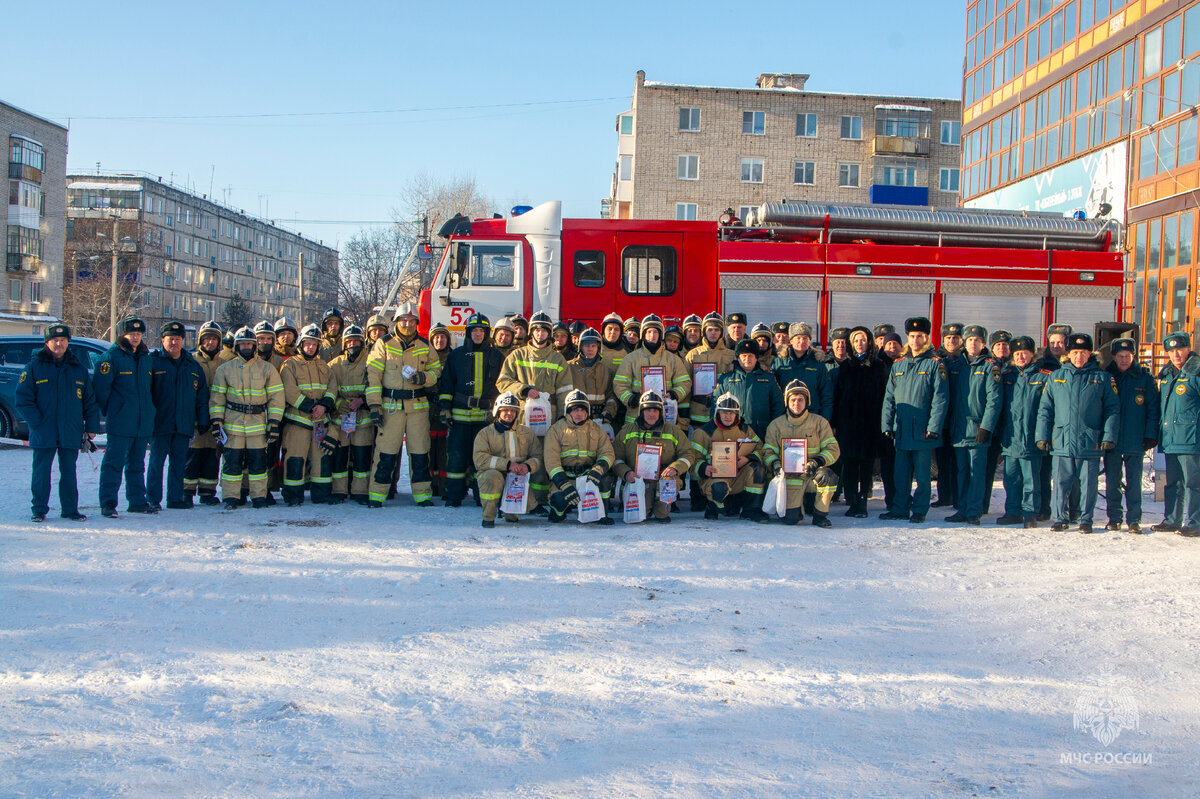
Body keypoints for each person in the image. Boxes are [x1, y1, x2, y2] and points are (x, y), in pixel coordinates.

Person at [16, 323, 101, 522]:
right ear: (47, 342)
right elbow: (22, 400)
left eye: (63, 340)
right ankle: (38, 509)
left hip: (70, 430)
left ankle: (70, 509)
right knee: (41, 472)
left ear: (67, 342)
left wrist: (91, 428)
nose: (59, 344)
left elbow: (89, 401)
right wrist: (37, 422)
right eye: (55, 340)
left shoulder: (77, 369)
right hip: (43, 431)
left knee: (69, 472)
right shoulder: (34, 367)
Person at [1035, 332, 1119, 533]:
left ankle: (1085, 519)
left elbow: (1112, 409)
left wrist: (1108, 436)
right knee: (1061, 482)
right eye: (1074, 352)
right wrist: (1042, 435)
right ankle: (1059, 518)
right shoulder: (1056, 377)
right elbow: (1045, 409)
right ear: (1068, 354)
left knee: (1088, 484)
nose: (1078, 357)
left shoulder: (1103, 378)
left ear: (1089, 353)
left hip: (1090, 440)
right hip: (1062, 440)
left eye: (1082, 352)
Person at [364, 303, 442, 508]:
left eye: (410, 321)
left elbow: (436, 371)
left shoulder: (425, 345)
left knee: (420, 452)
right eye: (403, 321)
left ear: (416, 322)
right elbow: (373, 376)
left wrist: (423, 377)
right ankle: (377, 495)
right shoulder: (383, 344)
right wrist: (374, 406)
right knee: (386, 452)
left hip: (418, 407)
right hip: (391, 406)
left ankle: (423, 495)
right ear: (396, 322)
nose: (407, 324)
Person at [496, 311, 574, 511]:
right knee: (518, 456)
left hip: (548, 420)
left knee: (540, 459)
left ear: (549, 333)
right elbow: (502, 382)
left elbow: (565, 392)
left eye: (544, 330)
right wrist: (522, 389)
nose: (540, 334)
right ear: (531, 332)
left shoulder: (558, 360)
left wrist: (563, 419)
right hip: (520, 419)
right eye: (537, 330)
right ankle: (513, 499)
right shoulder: (517, 355)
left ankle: (538, 500)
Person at [880, 316, 948, 523]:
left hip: (923, 430)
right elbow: (889, 397)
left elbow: (941, 398)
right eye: (912, 336)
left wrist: (934, 427)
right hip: (901, 429)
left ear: (926, 338)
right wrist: (887, 424)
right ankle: (900, 508)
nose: (916, 340)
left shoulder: (936, 364)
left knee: (922, 476)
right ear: (907, 338)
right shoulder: (898, 364)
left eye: (920, 336)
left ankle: (919, 510)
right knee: (900, 474)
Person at [210, 326, 286, 509]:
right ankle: (231, 497)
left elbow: (277, 397)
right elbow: (217, 397)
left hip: (257, 423)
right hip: (232, 423)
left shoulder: (266, 369)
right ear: (237, 346)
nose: (246, 347)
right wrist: (216, 421)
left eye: (249, 344)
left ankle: (259, 496)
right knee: (232, 464)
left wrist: (274, 422)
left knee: (258, 464)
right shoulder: (225, 369)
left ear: (254, 346)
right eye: (242, 344)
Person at [93, 317, 157, 518]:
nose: (136, 337)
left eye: (138, 334)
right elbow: (101, 391)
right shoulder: (111, 358)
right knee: (113, 463)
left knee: (137, 464)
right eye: (131, 334)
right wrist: (115, 410)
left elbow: (151, 389)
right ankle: (108, 503)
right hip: (121, 422)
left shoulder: (146, 357)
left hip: (141, 422)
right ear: (123, 335)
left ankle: (137, 501)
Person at [439, 313, 504, 507]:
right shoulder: (456, 355)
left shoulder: (496, 356)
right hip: (459, 418)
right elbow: (447, 385)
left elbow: (502, 386)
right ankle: (454, 496)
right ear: (468, 332)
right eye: (474, 330)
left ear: (487, 333)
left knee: (482, 459)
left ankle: (480, 495)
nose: (478, 334)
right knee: (456, 457)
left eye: (481, 330)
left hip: (485, 419)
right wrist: (445, 409)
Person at [148, 321, 211, 510]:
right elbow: (146, 394)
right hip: (160, 424)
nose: (174, 343)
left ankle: (175, 498)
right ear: (162, 340)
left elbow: (201, 397)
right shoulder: (153, 362)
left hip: (183, 424)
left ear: (183, 341)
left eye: (177, 339)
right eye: (170, 339)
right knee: (156, 464)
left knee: (178, 464)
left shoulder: (192, 366)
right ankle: (153, 498)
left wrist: (202, 420)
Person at [945, 325, 1002, 524]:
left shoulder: (990, 366)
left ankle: (974, 511)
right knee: (961, 471)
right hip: (959, 429)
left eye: (977, 340)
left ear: (983, 344)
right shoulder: (955, 365)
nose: (973, 343)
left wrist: (986, 427)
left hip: (978, 429)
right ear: (964, 342)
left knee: (976, 472)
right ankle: (962, 508)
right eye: (969, 340)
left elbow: (994, 399)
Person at [763, 381, 840, 527]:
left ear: (807, 402)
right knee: (791, 520)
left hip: (812, 473)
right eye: (793, 400)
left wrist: (817, 462)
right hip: (790, 478)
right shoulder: (776, 425)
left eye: (800, 400)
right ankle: (799, 508)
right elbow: (767, 451)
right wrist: (776, 465)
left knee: (828, 477)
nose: (796, 404)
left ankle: (820, 516)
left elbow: (833, 449)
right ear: (787, 402)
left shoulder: (820, 423)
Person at [832, 326, 890, 518]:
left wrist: (882, 424)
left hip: (869, 425)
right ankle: (852, 501)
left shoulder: (878, 366)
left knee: (866, 465)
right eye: (856, 340)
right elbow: (838, 397)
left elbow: (884, 396)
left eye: (863, 340)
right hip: (848, 425)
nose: (859, 343)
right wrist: (835, 423)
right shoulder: (846, 367)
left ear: (869, 342)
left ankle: (863, 499)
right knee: (849, 465)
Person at [1102, 337, 1159, 533]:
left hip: (1136, 439)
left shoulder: (1144, 378)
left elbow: (1153, 409)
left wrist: (1150, 436)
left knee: (1134, 482)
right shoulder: (1106, 376)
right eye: (1120, 356)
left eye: (1128, 356)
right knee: (1112, 481)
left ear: (1134, 356)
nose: (1124, 360)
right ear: (1114, 357)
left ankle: (1134, 519)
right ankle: (1114, 518)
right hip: (1113, 439)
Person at [611, 390, 693, 523]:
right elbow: (616, 457)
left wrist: (675, 468)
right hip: (637, 481)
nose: (651, 414)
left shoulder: (673, 430)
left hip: (663, 478)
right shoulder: (627, 431)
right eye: (648, 410)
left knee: (662, 514)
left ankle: (663, 509)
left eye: (655, 410)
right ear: (641, 411)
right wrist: (626, 473)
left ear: (661, 412)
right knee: (643, 515)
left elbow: (688, 453)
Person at [279, 324, 338, 506]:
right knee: (295, 460)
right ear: (300, 344)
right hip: (297, 423)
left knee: (321, 461)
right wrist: (311, 407)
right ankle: (293, 496)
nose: (311, 347)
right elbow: (289, 391)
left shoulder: (324, 366)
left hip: (320, 423)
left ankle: (321, 495)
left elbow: (332, 387)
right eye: (307, 343)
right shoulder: (289, 365)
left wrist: (325, 405)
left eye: (314, 344)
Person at [996, 336, 1051, 528]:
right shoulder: (1007, 375)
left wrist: (1043, 436)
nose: (1021, 357)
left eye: (1024, 353)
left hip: (1031, 438)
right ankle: (1012, 511)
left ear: (1032, 355)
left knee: (1031, 480)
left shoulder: (1044, 376)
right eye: (1017, 353)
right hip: (1010, 437)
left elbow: (1048, 409)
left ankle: (1030, 513)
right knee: (1011, 478)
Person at [689, 392, 768, 522]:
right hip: (714, 478)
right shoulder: (703, 433)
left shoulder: (746, 430)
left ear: (737, 414)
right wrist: (703, 468)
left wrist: (748, 459)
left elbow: (761, 448)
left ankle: (751, 510)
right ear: (717, 412)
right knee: (719, 489)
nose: (728, 416)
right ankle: (712, 506)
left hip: (738, 476)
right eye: (724, 412)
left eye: (731, 413)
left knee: (757, 469)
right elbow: (693, 459)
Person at [544, 389, 616, 524]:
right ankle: (560, 510)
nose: (579, 413)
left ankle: (601, 513)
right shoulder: (555, 430)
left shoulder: (597, 429)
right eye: (575, 409)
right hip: (566, 479)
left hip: (589, 478)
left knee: (605, 481)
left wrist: (598, 470)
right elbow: (551, 462)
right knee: (558, 501)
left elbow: (607, 453)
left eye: (582, 410)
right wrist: (564, 484)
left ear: (587, 411)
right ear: (568, 411)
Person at [472, 391, 543, 528]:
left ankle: (510, 513)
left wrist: (527, 467)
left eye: (513, 410)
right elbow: (480, 459)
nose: (509, 413)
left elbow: (538, 456)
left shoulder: (527, 433)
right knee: (491, 477)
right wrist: (507, 465)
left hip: (518, 477)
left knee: (519, 513)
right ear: (497, 411)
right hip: (494, 475)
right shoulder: (485, 434)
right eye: (505, 410)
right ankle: (489, 516)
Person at [1154, 331, 1200, 536]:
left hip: (1191, 439)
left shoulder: (1196, 373)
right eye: (1171, 351)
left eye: (1180, 350)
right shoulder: (1166, 375)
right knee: (1173, 483)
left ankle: (1195, 523)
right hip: (1171, 438)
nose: (1176, 355)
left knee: (1194, 483)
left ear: (1188, 348)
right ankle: (1172, 519)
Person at [614, 315, 691, 425]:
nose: (652, 335)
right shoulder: (631, 358)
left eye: (656, 332)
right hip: (635, 418)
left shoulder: (673, 359)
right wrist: (632, 399)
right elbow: (619, 384)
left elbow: (685, 383)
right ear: (643, 334)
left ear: (661, 335)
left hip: (665, 417)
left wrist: (674, 394)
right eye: (649, 331)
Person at [327, 324, 373, 505]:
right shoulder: (334, 364)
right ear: (344, 343)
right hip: (341, 419)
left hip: (363, 418)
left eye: (356, 341)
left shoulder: (370, 361)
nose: (353, 344)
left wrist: (362, 400)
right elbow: (328, 390)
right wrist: (338, 403)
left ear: (363, 342)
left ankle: (360, 491)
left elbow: (376, 386)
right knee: (340, 456)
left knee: (362, 456)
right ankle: (339, 490)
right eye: (350, 341)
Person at [185, 321, 230, 506]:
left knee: (212, 456)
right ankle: (186, 491)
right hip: (195, 418)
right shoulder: (191, 361)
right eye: (206, 339)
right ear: (199, 341)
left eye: (213, 339)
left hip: (216, 418)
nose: (210, 343)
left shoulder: (225, 364)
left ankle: (207, 491)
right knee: (192, 456)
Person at [716, 339, 784, 440]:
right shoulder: (726, 379)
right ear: (738, 358)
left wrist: (773, 427)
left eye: (750, 356)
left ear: (756, 358)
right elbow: (716, 403)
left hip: (761, 431)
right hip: (733, 431)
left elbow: (778, 405)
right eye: (744, 356)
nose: (747, 359)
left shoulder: (768, 379)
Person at [932, 321, 965, 509]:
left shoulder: (966, 360)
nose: (951, 341)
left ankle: (958, 497)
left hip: (960, 418)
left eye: (955, 338)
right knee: (943, 461)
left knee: (958, 462)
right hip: (942, 420)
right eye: (948, 338)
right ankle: (944, 495)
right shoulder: (937, 359)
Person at [772, 322, 833, 420]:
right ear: (791, 340)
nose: (802, 341)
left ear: (809, 341)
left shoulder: (818, 365)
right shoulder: (779, 363)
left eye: (805, 338)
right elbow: (772, 394)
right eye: (798, 338)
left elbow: (826, 395)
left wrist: (824, 420)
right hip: (785, 419)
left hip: (812, 418)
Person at [567, 327, 619, 428]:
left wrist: (608, 413)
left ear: (598, 348)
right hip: (575, 419)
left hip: (599, 420)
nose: (590, 349)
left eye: (593, 346)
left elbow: (611, 396)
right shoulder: (569, 367)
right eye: (586, 346)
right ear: (581, 347)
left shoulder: (606, 371)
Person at [427, 322, 453, 499]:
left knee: (445, 450)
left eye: (443, 337)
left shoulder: (453, 358)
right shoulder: (424, 357)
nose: (439, 340)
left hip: (446, 409)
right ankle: (430, 486)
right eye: (436, 337)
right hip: (427, 409)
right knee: (428, 449)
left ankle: (443, 486)